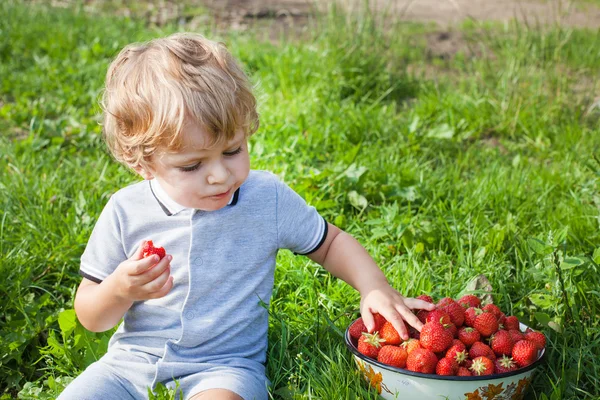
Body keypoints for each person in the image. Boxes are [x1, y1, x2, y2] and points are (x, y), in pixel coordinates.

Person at [58, 32, 435, 400]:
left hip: (223, 368)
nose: (220, 175)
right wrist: (119, 290)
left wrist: (373, 285)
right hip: (128, 366)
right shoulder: (126, 210)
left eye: (232, 150)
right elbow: (92, 317)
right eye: (191, 166)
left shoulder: (265, 198)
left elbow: (330, 242)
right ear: (142, 163)